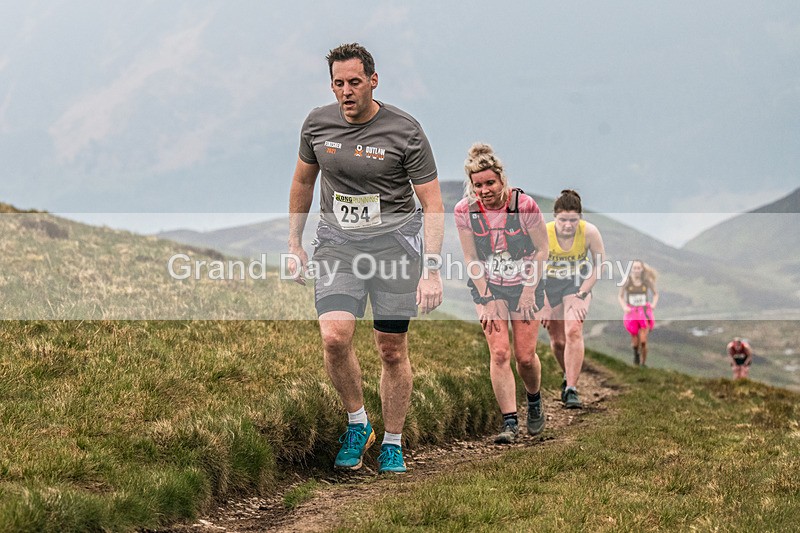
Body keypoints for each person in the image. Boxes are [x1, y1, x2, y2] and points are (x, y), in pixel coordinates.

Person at [287, 43, 444, 473]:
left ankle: (392, 441)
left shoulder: (405, 131)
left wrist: (431, 271)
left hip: (395, 247)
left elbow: (432, 204)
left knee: (391, 349)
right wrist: (294, 244)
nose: (346, 91)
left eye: (354, 82)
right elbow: (303, 181)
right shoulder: (317, 124)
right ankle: (358, 424)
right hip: (339, 244)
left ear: (373, 80)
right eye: (338, 83)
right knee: (335, 336)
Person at [454, 143, 549, 444]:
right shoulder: (464, 211)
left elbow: (542, 250)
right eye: (477, 184)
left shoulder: (524, 206)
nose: (484, 190)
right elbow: (470, 258)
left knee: (524, 356)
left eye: (490, 183)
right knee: (499, 353)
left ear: (502, 180)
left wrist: (529, 292)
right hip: (489, 286)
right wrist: (486, 296)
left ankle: (534, 401)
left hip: (526, 284)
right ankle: (509, 422)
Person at [540, 190, 606, 409]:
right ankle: (567, 374)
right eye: (562, 220)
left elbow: (598, 267)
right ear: (554, 217)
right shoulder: (543, 232)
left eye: (573, 220)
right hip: (547, 286)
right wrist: (544, 306)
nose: (568, 225)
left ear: (580, 218)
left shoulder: (590, 233)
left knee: (573, 330)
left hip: (576, 284)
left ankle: (571, 389)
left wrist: (582, 295)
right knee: (558, 341)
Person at [618, 260, 659, 367]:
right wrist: (624, 307)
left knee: (644, 340)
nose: (636, 270)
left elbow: (655, 294)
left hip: (644, 312)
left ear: (642, 269)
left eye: (638, 268)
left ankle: (643, 363)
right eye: (634, 268)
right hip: (632, 313)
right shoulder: (627, 281)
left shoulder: (647, 281)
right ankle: (636, 354)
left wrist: (653, 304)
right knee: (635, 340)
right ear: (631, 269)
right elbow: (620, 296)